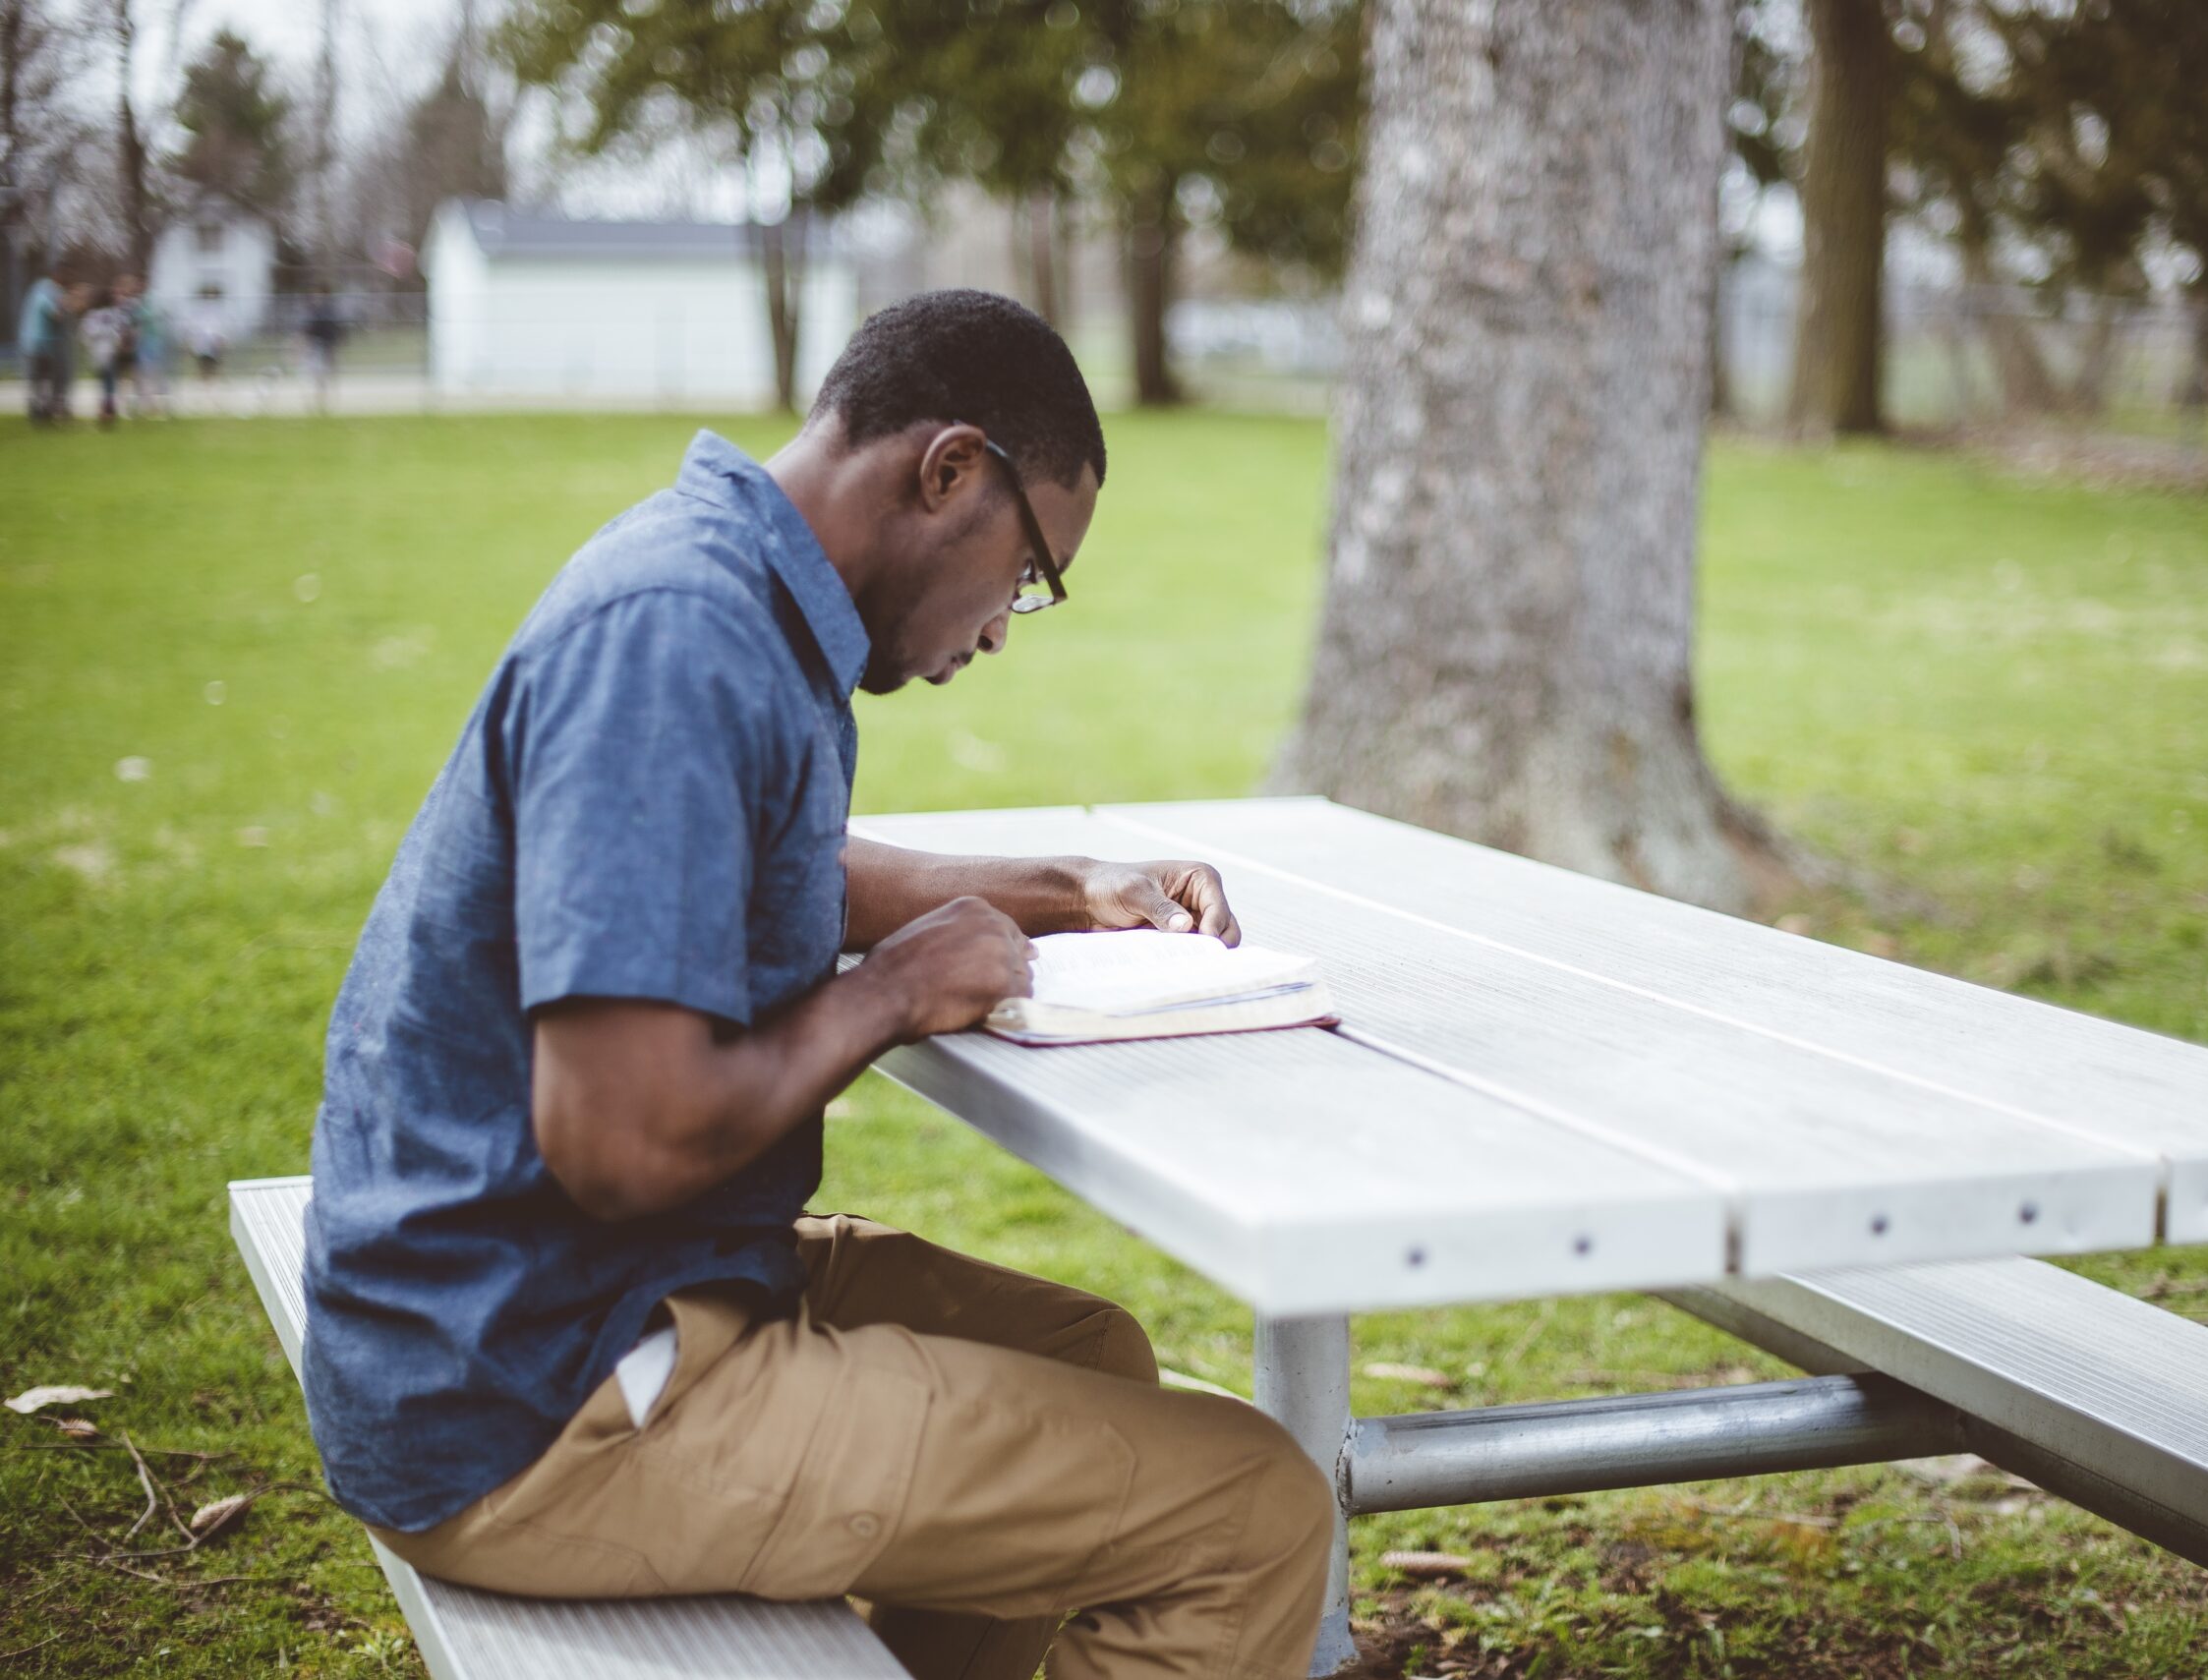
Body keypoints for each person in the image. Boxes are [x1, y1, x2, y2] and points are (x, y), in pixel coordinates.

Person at [303, 289, 1336, 1680]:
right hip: (537, 1389)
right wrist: (897, 990)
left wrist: (1061, 887)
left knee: (1095, 1353)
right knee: (1254, 1509)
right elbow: (617, 1139)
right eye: (1030, 570)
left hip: (554, 1300)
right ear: (950, 469)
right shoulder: (679, 636)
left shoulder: (730, 590)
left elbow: (772, 865)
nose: (1002, 630)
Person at [18, 263, 70, 424]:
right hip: (36, 342)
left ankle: (44, 409)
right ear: (56, 274)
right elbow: (54, 313)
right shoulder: (44, 289)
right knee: (39, 378)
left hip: (46, 343)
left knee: (44, 379)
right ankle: (38, 411)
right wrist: (65, 308)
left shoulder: (49, 290)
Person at [77, 284, 129, 425]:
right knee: (109, 383)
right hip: (109, 352)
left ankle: (105, 410)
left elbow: (85, 334)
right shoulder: (113, 314)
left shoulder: (92, 315)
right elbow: (120, 332)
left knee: (104, 383)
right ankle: (108, 410)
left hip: (98, 353)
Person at [118, 275, 169, 418]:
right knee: (129, 376)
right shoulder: (127, 304)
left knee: (145, 375)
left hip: (142, 345)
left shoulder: (142, 302)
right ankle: (127, 405)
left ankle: (146, 405)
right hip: (129, 345)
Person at [301, 284, 343, 411]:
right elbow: (308, 330)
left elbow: (332, 331)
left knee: (324, 374)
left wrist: (333, 346)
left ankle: (325, 399)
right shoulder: (315, 310)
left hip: (324, 346)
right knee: (316, 374)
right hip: (316, 346)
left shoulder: (327, 311)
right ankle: (319, 399)